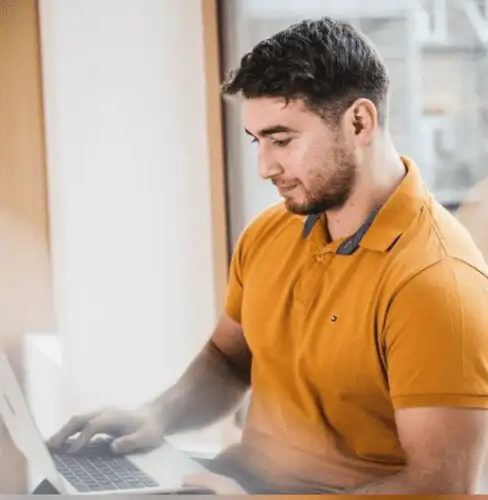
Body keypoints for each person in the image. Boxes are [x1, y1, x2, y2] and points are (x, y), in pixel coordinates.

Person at [47, 17, 488, 494]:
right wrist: (156, 415)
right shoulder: (270, 232)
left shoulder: (437, 280)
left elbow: (438, 488)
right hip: (234, 481)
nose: (264, 167)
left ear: (359, 122)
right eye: (257, 142)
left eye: (282, 140)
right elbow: (227, 358)